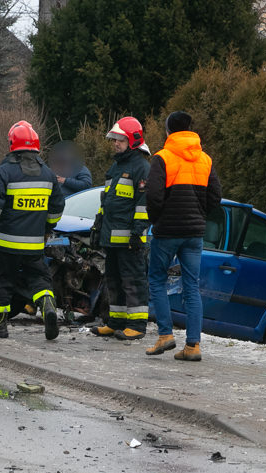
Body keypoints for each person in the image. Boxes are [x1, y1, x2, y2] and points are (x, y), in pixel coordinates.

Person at [0, 122, 65, 340]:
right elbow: (57, 207)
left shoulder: (4, 172)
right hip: (33, 244)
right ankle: (48, 304)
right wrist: (46, 228)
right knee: (39, 279)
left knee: (1, 282)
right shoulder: (48, 175)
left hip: (6, 243)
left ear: (12, 144)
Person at [145, 111, 222, 361]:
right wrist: (199, 215)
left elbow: (154, 197)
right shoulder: (205, 160)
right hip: (194, 234)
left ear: (169, 131)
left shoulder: (162, 158)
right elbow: (215, 198)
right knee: (191, 286)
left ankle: (165, 335)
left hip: (167, 231)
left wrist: (157, 220)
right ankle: (193, 346)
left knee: (157, 279)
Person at [89, 117, 150, 341]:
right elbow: (107, 202)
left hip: (129, 239)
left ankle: (137, 325)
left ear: (133, 141)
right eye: (115, 139)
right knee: (113, 280)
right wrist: (98, 226)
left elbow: (144, 206)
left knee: (133, 281)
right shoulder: (116, 167)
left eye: (121, 139)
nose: (116, 143)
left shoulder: (141, 167)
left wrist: (137, 232)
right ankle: (116, 323)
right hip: (111, 237)